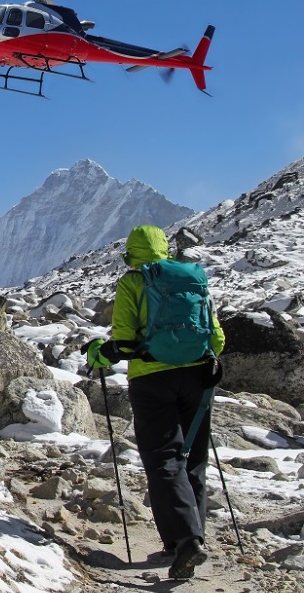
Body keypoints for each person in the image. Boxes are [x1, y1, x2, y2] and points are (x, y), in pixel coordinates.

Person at [86, 225, 225, 580]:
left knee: (164, 457)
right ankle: (186, 540)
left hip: (151, 380)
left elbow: (126, 342)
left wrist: (102, 354)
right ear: (165, 249)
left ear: (131, 254)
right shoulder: (193, 278)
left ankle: (186, 540)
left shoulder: (133, 282)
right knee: (192, 458)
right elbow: (218, 338)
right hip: (199, 376)